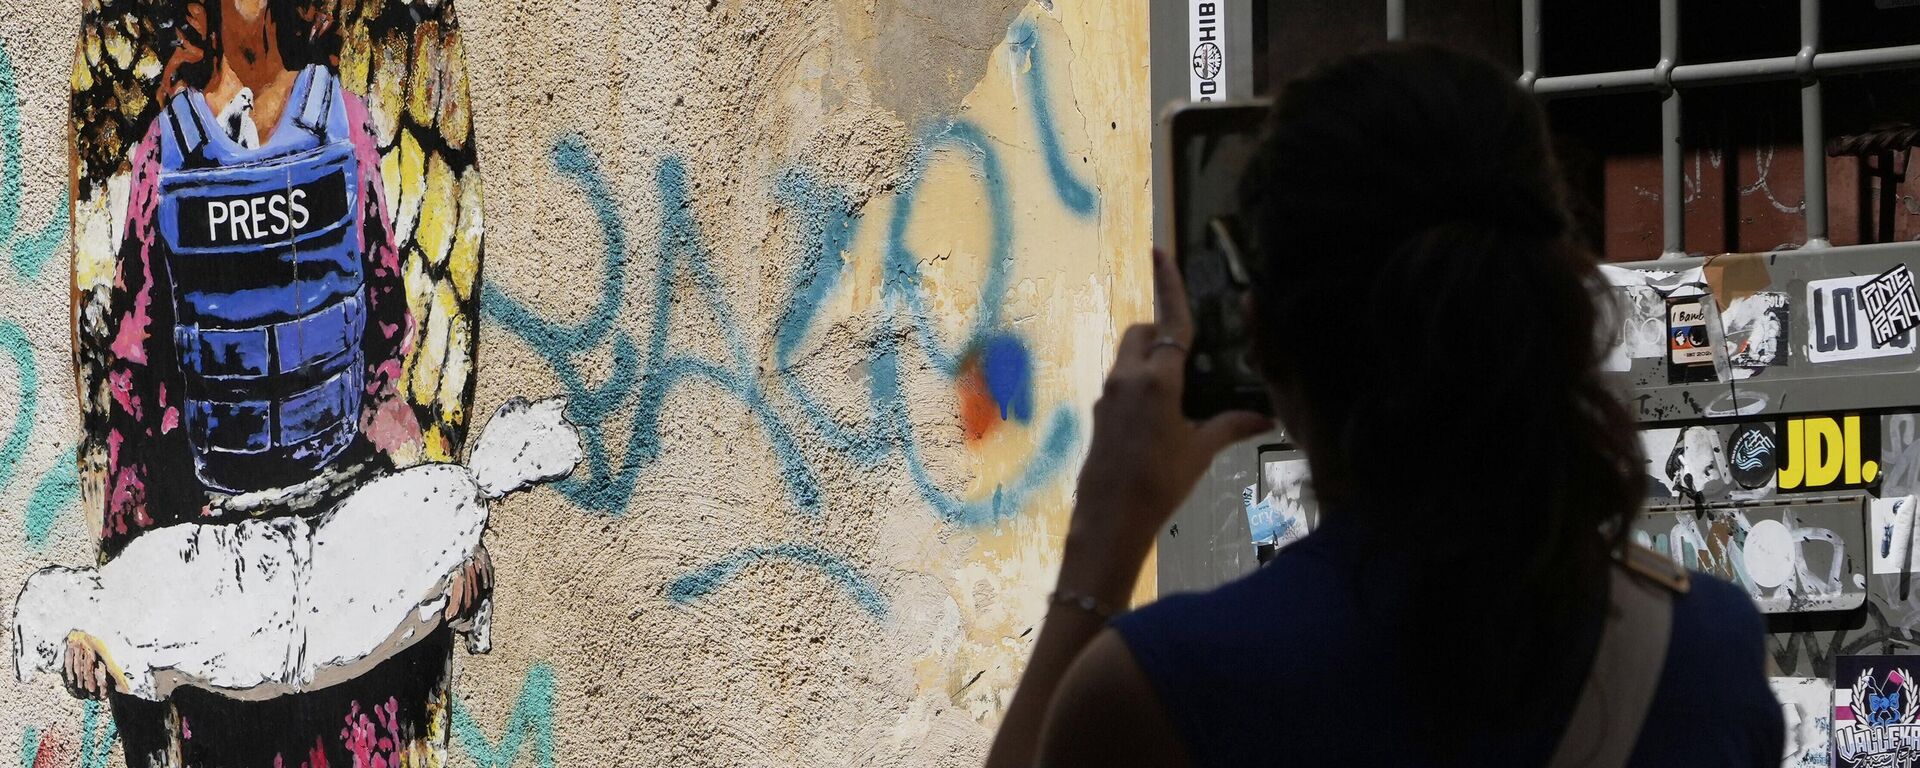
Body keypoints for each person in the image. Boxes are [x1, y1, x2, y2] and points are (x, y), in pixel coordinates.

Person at [987, 45, 1782, 767]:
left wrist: (1102, 546)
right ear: (1551, 306)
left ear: (1264, 339)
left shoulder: (1161, 689)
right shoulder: (1704, 654)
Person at [61, 1, 490, 765]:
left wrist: (440, 530)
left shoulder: (343, 123)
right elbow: (133, 386)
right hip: (220, 590)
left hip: (351, 568)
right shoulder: (171, 147)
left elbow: (385, 357)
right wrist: (110, 601)